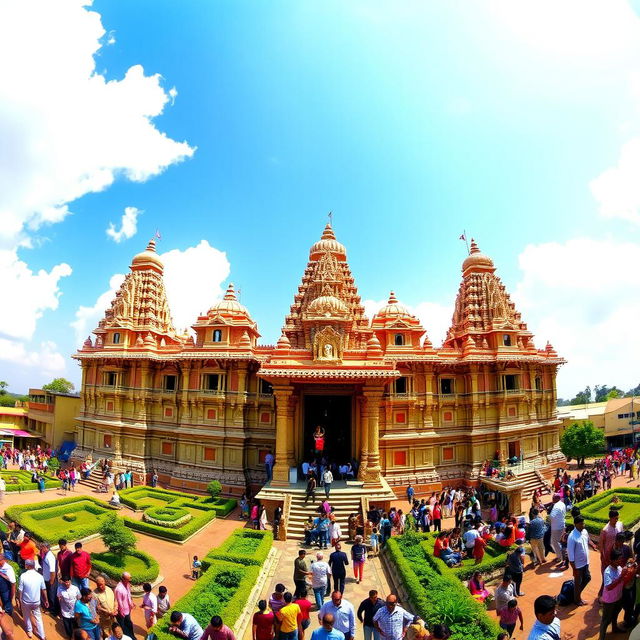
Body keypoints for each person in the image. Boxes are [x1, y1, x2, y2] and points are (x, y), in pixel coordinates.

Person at [567, 515, 597, 606]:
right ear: (575, 524)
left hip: (586, 562)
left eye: (583, 523)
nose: (583, 525)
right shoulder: (572, 537)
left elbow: (588, 540)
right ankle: (577, 599)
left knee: (587, 578)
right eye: (581, 524)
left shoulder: (584, 531)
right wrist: (574, 569)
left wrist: (593, 545)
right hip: (578, 565)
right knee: (578, 582)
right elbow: (570, 555)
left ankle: (576, 594)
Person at [17, 558, 48, 640]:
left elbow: (20, 590)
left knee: (26, 616)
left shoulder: (23, 576)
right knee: (38, 618)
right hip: (37, 602)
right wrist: (46, 600)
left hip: (26, 602)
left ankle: (29, 631)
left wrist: (19, 600)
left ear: (27, 566)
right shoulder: (40, 576)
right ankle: (42, 635)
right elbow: (44, 589)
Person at [600, 548, 626, 639]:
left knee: (615, 614)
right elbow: (609, 587)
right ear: (612, 560)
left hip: (618, 597)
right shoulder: (608, 571)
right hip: (609, 600)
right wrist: (621, 577)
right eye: (618, 559)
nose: (620, 561)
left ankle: (615, 628)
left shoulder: (619, 568)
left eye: (621, 559)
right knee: (606, 620)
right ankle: (601, 637)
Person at [599, 509, 623, 596]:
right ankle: (601, 595)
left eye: (617, 518)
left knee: (616, 576)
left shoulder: (620, 525)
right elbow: (601, 545)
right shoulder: (605, 530)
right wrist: (603, 558)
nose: (616, 520)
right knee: (606, 578)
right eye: (615, 518)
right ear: (610, 518)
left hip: (618, 556)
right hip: (608, 558)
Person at [114, 572, 136, 640]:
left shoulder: (127, 584)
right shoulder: (119, 589)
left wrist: (131, 602)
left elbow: (128, 595)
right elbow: (119, 601)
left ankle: (132, 637)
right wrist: (121, 612)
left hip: (128, 610)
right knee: (123, 626)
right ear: (123, 579)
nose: (130, 581)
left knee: (129, 624)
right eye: (128, 580)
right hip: (122, 612)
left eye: (130, 579)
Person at [548, 494, 567, 567]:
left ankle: (560, 557)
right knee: (561, 542)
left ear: (556, 499)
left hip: (556, 527)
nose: (552, 499)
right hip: (562, 525)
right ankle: (562, 556)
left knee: (553, 542)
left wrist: (548, 518)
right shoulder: (562, 503)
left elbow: (551, 517)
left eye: (553, 498)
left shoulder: (556, 507)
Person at [40, 541, 58, 615]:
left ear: (46, 548)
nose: (41, 548)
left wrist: (51, 581)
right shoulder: (46, 554)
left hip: (50, 580)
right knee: (49, 594)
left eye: (42, 547)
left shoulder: (50, 556)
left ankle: (53, 611)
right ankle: (50, 608)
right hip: (47, 578)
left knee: (51, 595)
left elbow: (52, 570)